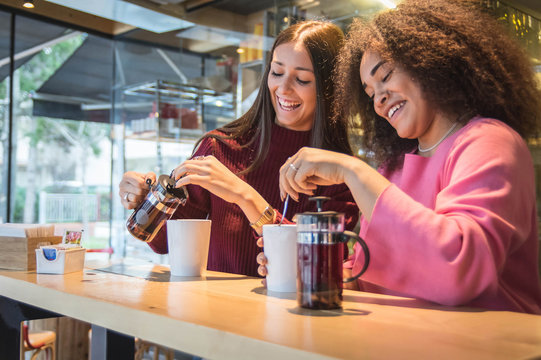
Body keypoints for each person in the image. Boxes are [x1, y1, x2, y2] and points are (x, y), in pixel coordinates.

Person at [276, 0, 541, 313]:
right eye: (370, 92)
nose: (379, 100)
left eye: (385, 76)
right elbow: (370, 271)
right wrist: (308, 266)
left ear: (430, 60)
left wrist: (353, 171)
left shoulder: (489, 141)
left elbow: (459, 271)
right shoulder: (395, 167)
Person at [119, 20, 358, 277]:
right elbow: (165, 240)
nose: (283, 88)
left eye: (301, 79)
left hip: (293, 315)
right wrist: (145, 199)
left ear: (329, 89)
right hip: (214, 313)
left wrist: (246, 197)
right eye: (277, 73)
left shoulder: (339, 171)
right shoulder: (219, 148)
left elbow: (324, 267)